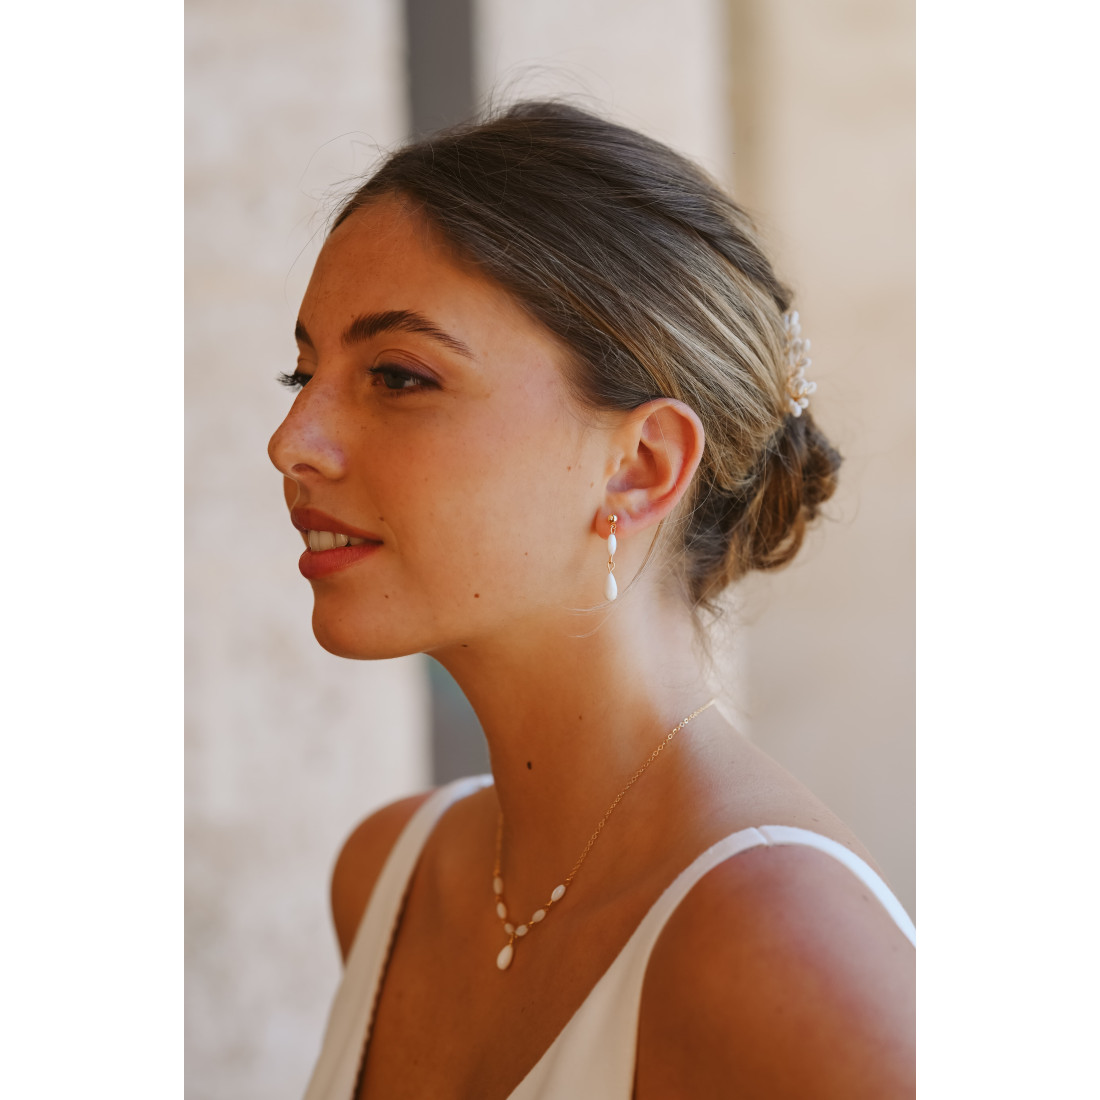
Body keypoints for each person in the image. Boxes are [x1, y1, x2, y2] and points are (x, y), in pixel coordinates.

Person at [268, 101, 915, 1099]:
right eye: (303, 372)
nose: (291, 442)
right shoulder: (387, 880)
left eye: (396, 376)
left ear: (640, 466)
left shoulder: (779, 944)